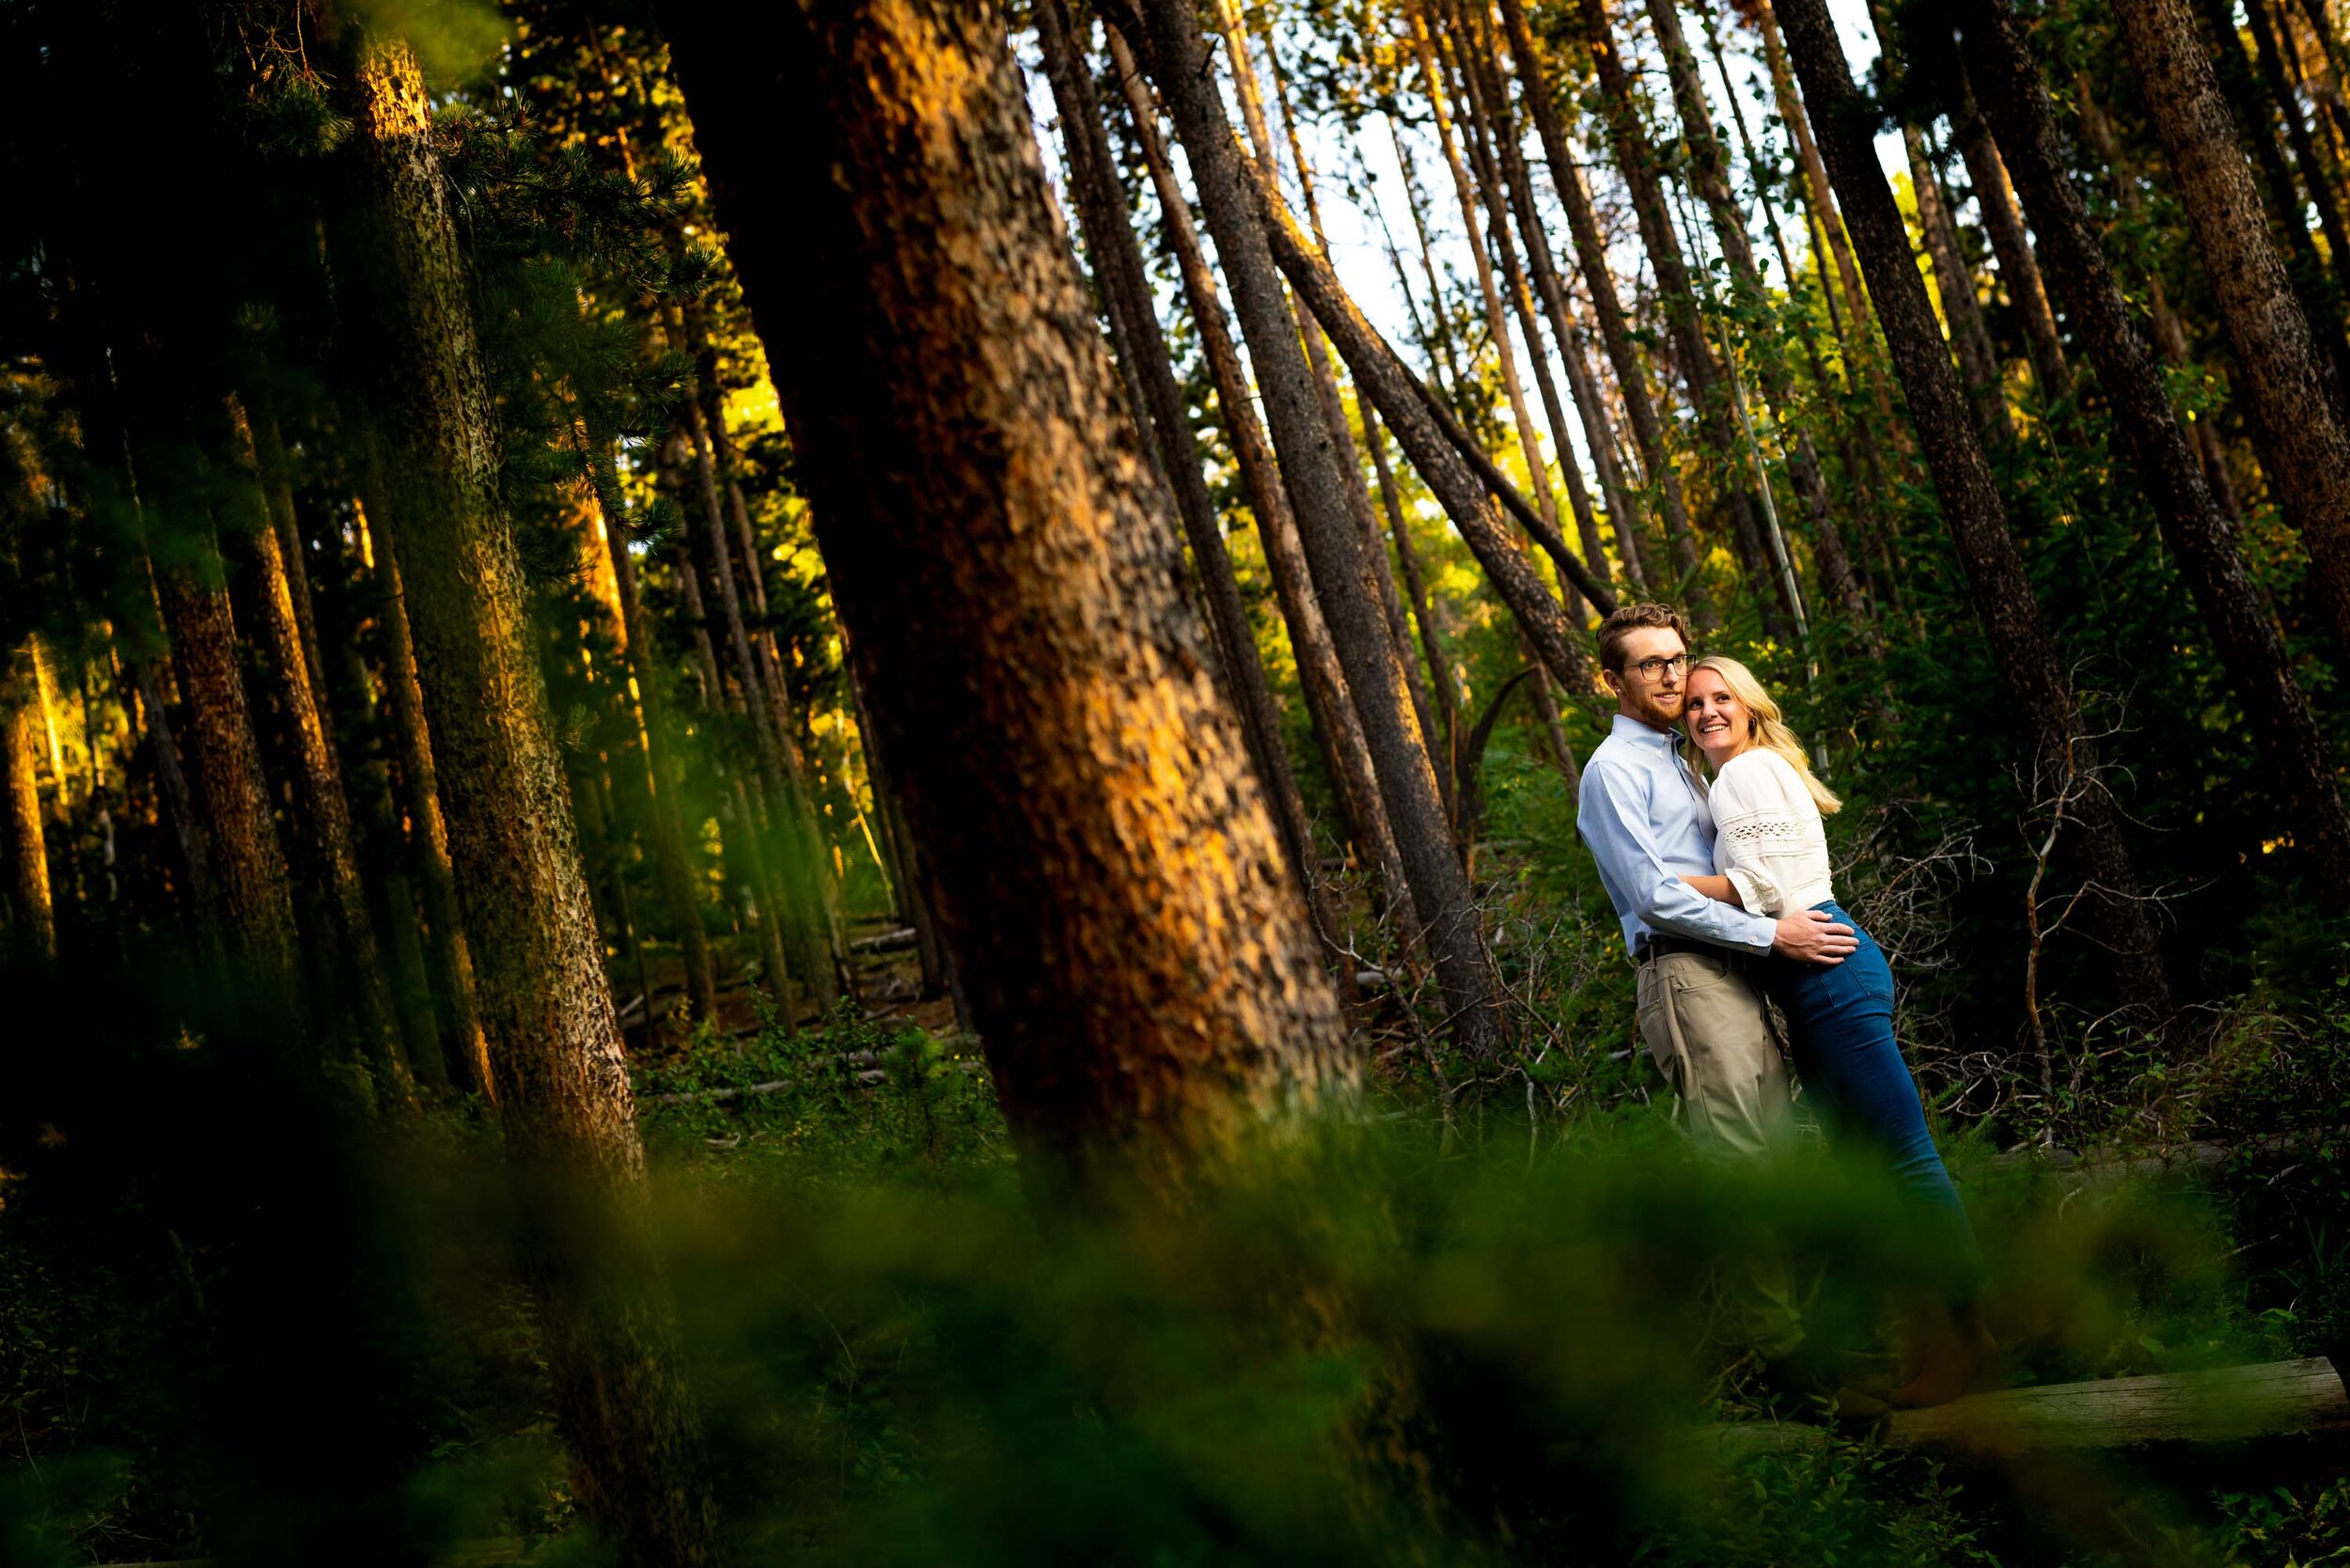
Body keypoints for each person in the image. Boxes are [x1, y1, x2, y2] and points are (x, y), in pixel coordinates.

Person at [1679, 653, 1998, 1408]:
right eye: (1694, 704)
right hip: (1817, 975)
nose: (1707, 712)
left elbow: (1763, 889)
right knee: (1875, 1178)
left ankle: (1971, 1340)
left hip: (1829, 971)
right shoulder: (1746, 774)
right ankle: (1928, 1347)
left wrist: (1656, 881)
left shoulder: (1743, 775)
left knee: (1907, 1162)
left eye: (1722, 696)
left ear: (1751, 706)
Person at [1574, 604, 1857, 1388]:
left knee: (1771, 1153)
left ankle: (1805, 1339)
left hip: (1736, 971)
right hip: (1686, 973)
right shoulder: (1615, 771)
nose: (1670, 675)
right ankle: (1790, 1367)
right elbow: (1655, 898)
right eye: (1649, 664)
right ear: (1614, 678)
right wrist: (1777, 934)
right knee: (1741, 1165)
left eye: (1676, 659)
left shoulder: (1681, 759)